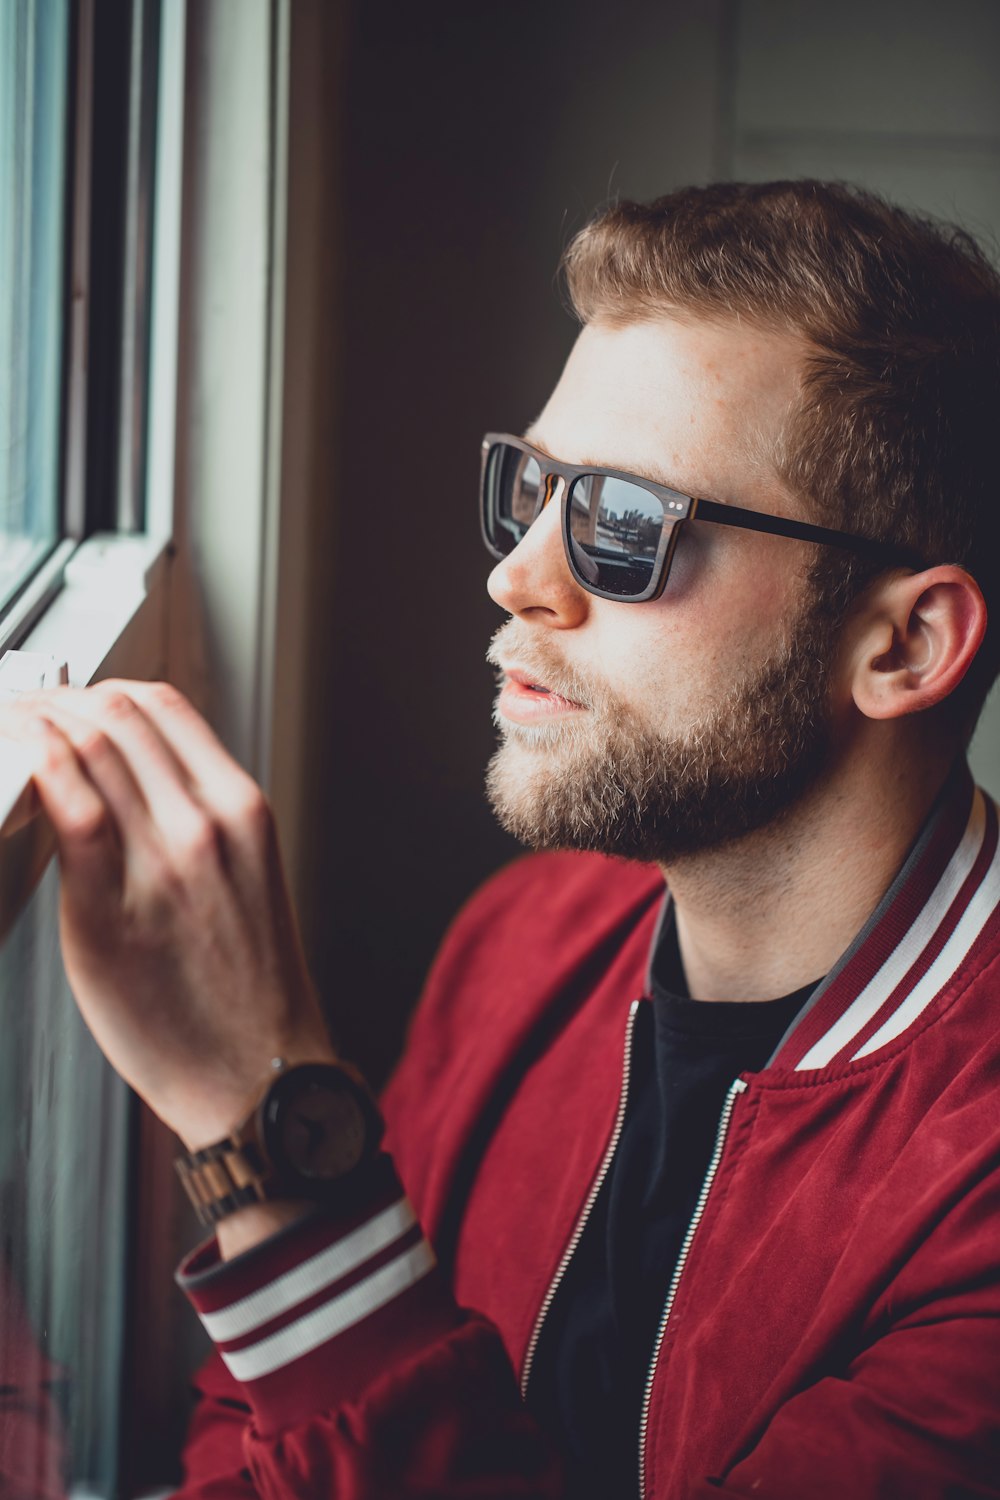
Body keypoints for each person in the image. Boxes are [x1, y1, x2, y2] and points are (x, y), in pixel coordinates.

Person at [8, 179, 1000, 1498]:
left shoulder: (971, 1199)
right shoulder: (529, 939)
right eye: (533, 489)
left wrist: (265, 1122)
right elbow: (251, 1428)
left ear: (903, 644)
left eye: (629, 525)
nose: (518, 576)